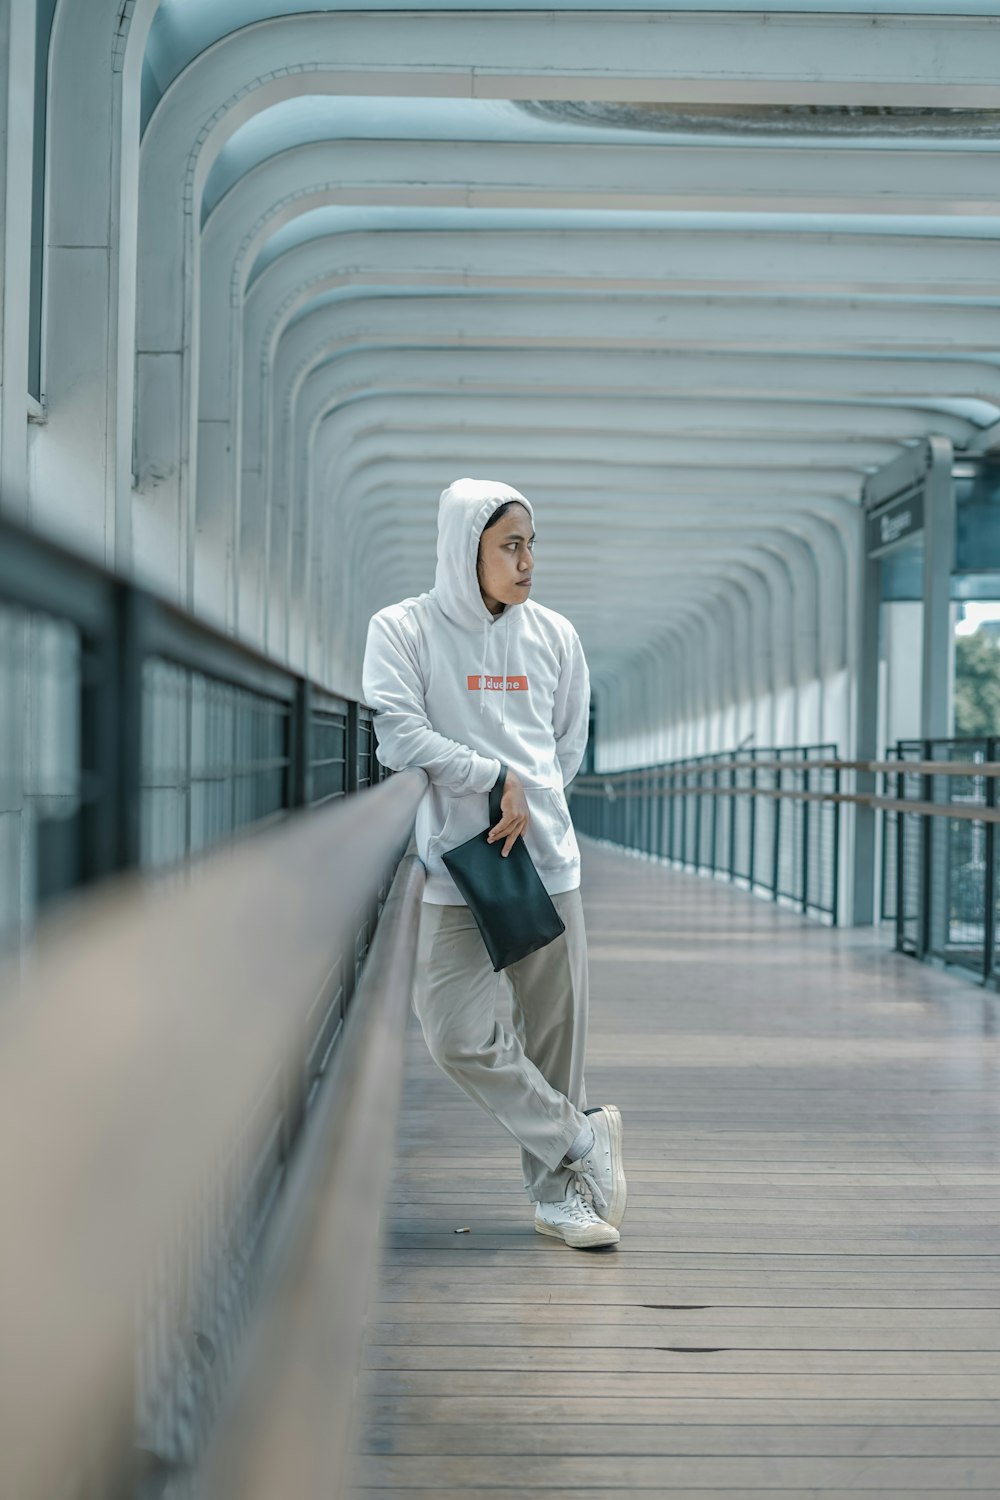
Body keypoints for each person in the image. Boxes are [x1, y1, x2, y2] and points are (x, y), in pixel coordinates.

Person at [361, 477, 626, 1249]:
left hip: (545, 865)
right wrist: (491, 777)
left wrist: (532, 794)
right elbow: (397, 737)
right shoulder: (403, 629)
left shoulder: (555, 636)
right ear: (463, 548)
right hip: (454, 868)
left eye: (532, 544)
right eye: (511, 545)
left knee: (553, 1037)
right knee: (454, 1034)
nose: (528, 560)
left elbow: (565, 748)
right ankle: (579, 1141)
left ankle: (559, 1200)